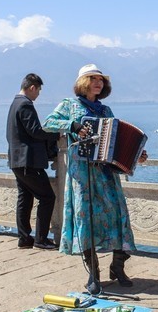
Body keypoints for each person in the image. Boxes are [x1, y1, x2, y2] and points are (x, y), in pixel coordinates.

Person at [43, 64, 147, 289]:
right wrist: (72, 124)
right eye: (93, 79)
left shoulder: (106, 110)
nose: (98, 83)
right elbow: (47, 123)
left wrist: (135, 154)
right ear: (83, 82)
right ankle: (94, 274)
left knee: (118, 216)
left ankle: (118, 266)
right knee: (86, 220)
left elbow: (117, 141)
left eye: (101, 79)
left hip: (106, 173)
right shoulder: (69, 105)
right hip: (82, 174)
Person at [7, 73, 61, 250]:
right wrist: (56, 134)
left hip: (16, 161)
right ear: (32, 87)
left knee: (25, 198)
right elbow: (35, 131)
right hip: (29, 161)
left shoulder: (15, 103)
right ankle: (41, 239)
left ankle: (24, 238)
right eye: (38, 90)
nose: (38, 94)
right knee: (47, 197)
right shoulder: (25, 104)